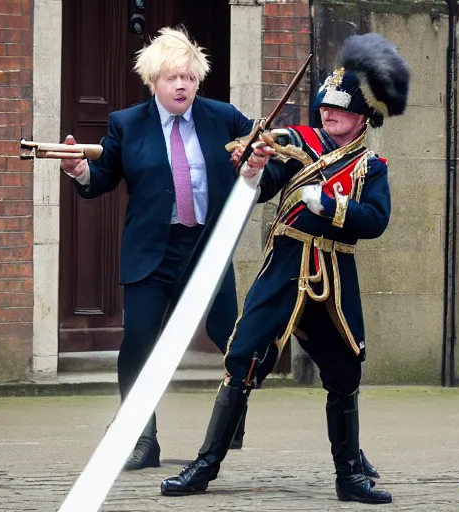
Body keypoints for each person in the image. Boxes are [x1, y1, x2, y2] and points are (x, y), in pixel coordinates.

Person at [159, 32, 410, 504]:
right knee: (242, 359)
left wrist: (331, 204)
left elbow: (375, 221)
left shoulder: (371, 167)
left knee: (344, 373)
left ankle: (349, 476)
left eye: (339, 110)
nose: (328, 115)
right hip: (284, 269)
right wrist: (252, 165)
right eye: (325, 107)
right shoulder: (297, 144)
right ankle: (204, 466)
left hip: (332, 278)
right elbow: (264, 182)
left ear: (362, 117)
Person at [59, 27, 256, 471]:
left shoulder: (223, 117)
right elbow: (103, 176)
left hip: (207, 245)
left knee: (235, 339)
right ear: (153, 82)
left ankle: (232, 418)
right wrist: (78, 171)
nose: (181, 84)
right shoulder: (127, 124)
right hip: (153, 250)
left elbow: (262, 154)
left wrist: (258, 159)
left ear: (198, 80)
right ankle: (142, 440)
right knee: (139, 345)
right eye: (171, 78)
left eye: (188, 76)